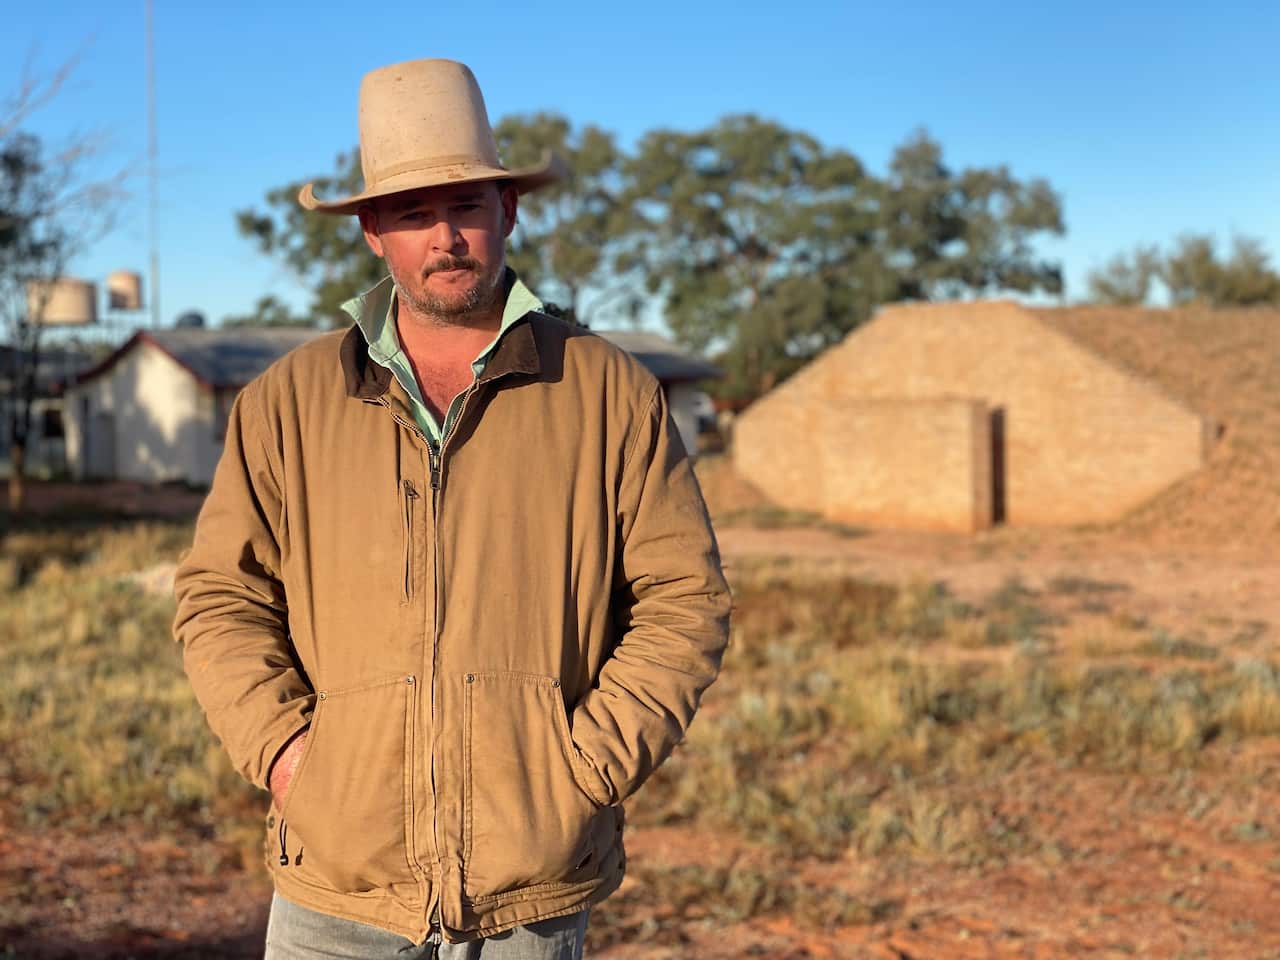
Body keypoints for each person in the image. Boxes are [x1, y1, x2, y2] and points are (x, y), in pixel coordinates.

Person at [172, 59, 731, 959]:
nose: (446, 237)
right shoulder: (287, 402)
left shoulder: (604, 390)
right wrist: (286, 756)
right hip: (335, 891)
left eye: (466, 205)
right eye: (411, 213)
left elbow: (684, 600)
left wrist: (582, 770)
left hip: (527, 897)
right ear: (371, 232)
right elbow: (219, 598)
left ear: (507, 210)